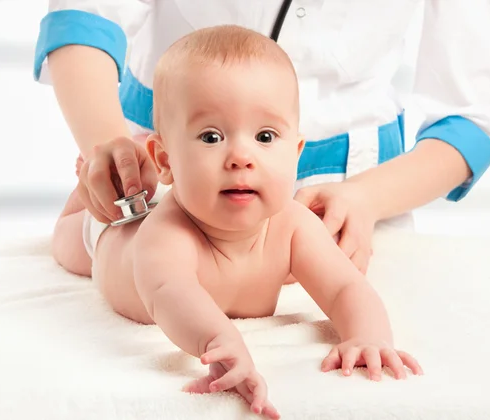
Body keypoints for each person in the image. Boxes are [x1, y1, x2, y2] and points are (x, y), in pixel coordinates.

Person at [52, 25, 423, 419]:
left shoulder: (293, 226)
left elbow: (346, 286)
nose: (241, 157)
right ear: (164, 160)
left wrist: (368, 336)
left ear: (295, 152)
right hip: (114, 236)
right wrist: (223, 343)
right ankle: (80, 200)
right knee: (68, 243)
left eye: (265, 136)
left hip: (179, 196)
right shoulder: (165, 236)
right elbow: (171, 294)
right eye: (211, 137)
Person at [34, 1, 490, 274]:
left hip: (346, 207)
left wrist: (365, 200)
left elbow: (472, 118)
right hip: (164, 184)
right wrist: (107, 148)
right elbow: (84, 17)